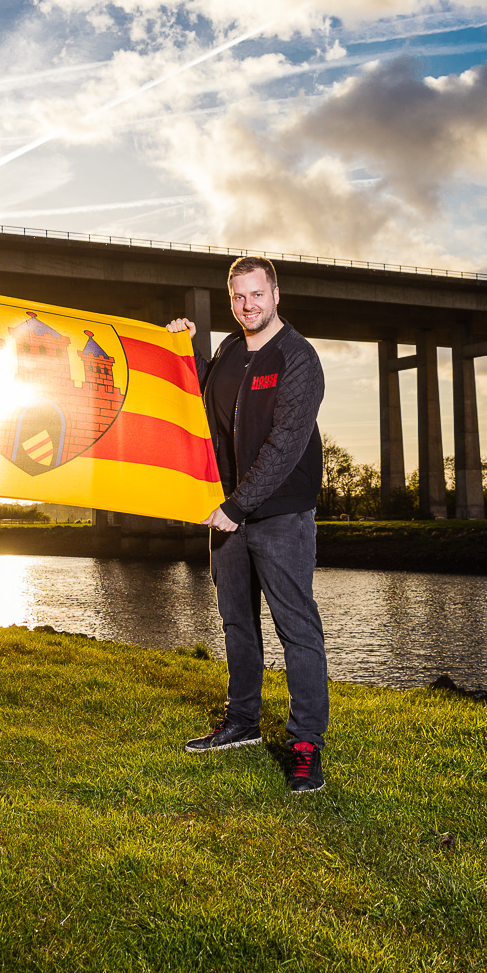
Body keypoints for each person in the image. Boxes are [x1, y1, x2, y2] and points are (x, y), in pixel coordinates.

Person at [167, 256, 329, 794]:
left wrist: (236, 508)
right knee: (238, 624)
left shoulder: (298, 358)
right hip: (228, 510)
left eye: (257, 295)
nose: (247, 306)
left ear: (276, 294)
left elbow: (285, 446)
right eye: (238, 297)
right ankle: (242, 724)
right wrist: (184, 348)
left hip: (279, 514)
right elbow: (201, 408)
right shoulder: (230, 350)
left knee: (296, 630)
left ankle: (305, 744)